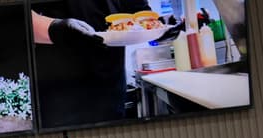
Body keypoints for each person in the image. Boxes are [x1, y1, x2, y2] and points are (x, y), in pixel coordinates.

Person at [31, 1, 169, 129]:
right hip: (57, 96)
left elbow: (139, 13)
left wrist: (161, 29)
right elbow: (19, 16)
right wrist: (55, 28)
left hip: (110, 90)